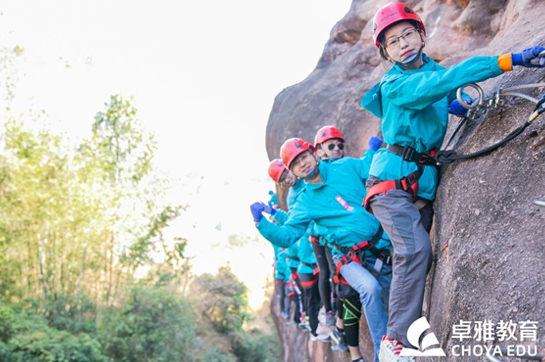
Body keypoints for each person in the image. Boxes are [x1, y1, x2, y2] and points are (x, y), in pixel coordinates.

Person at [360, 2, 545, 361]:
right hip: (391, 184)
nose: (403, 44)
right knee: (415, 251)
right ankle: (393, 343)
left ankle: (406, 337)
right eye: (393, 41)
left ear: (422, 34)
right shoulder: (395, 84)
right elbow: (439, 85)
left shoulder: (431, 71)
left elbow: (444, 93)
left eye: (408, 34)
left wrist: (455, 106)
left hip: (419, 182)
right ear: (386, 52)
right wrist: (509, 61)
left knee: (414, 260)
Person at [251, 138, 392, 362]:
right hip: (348, 258)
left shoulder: (344, 166)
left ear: (314, 154)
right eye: (296, 163)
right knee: (370, 289)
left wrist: (380, 150)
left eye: (304, 156)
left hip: (380, 247)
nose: (303, 164)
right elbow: (288, 235)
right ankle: (382, 356)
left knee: (391, 298)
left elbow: (370, 167)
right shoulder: (305, 202)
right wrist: (262, 223)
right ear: (293, 171)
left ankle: (386, 351)